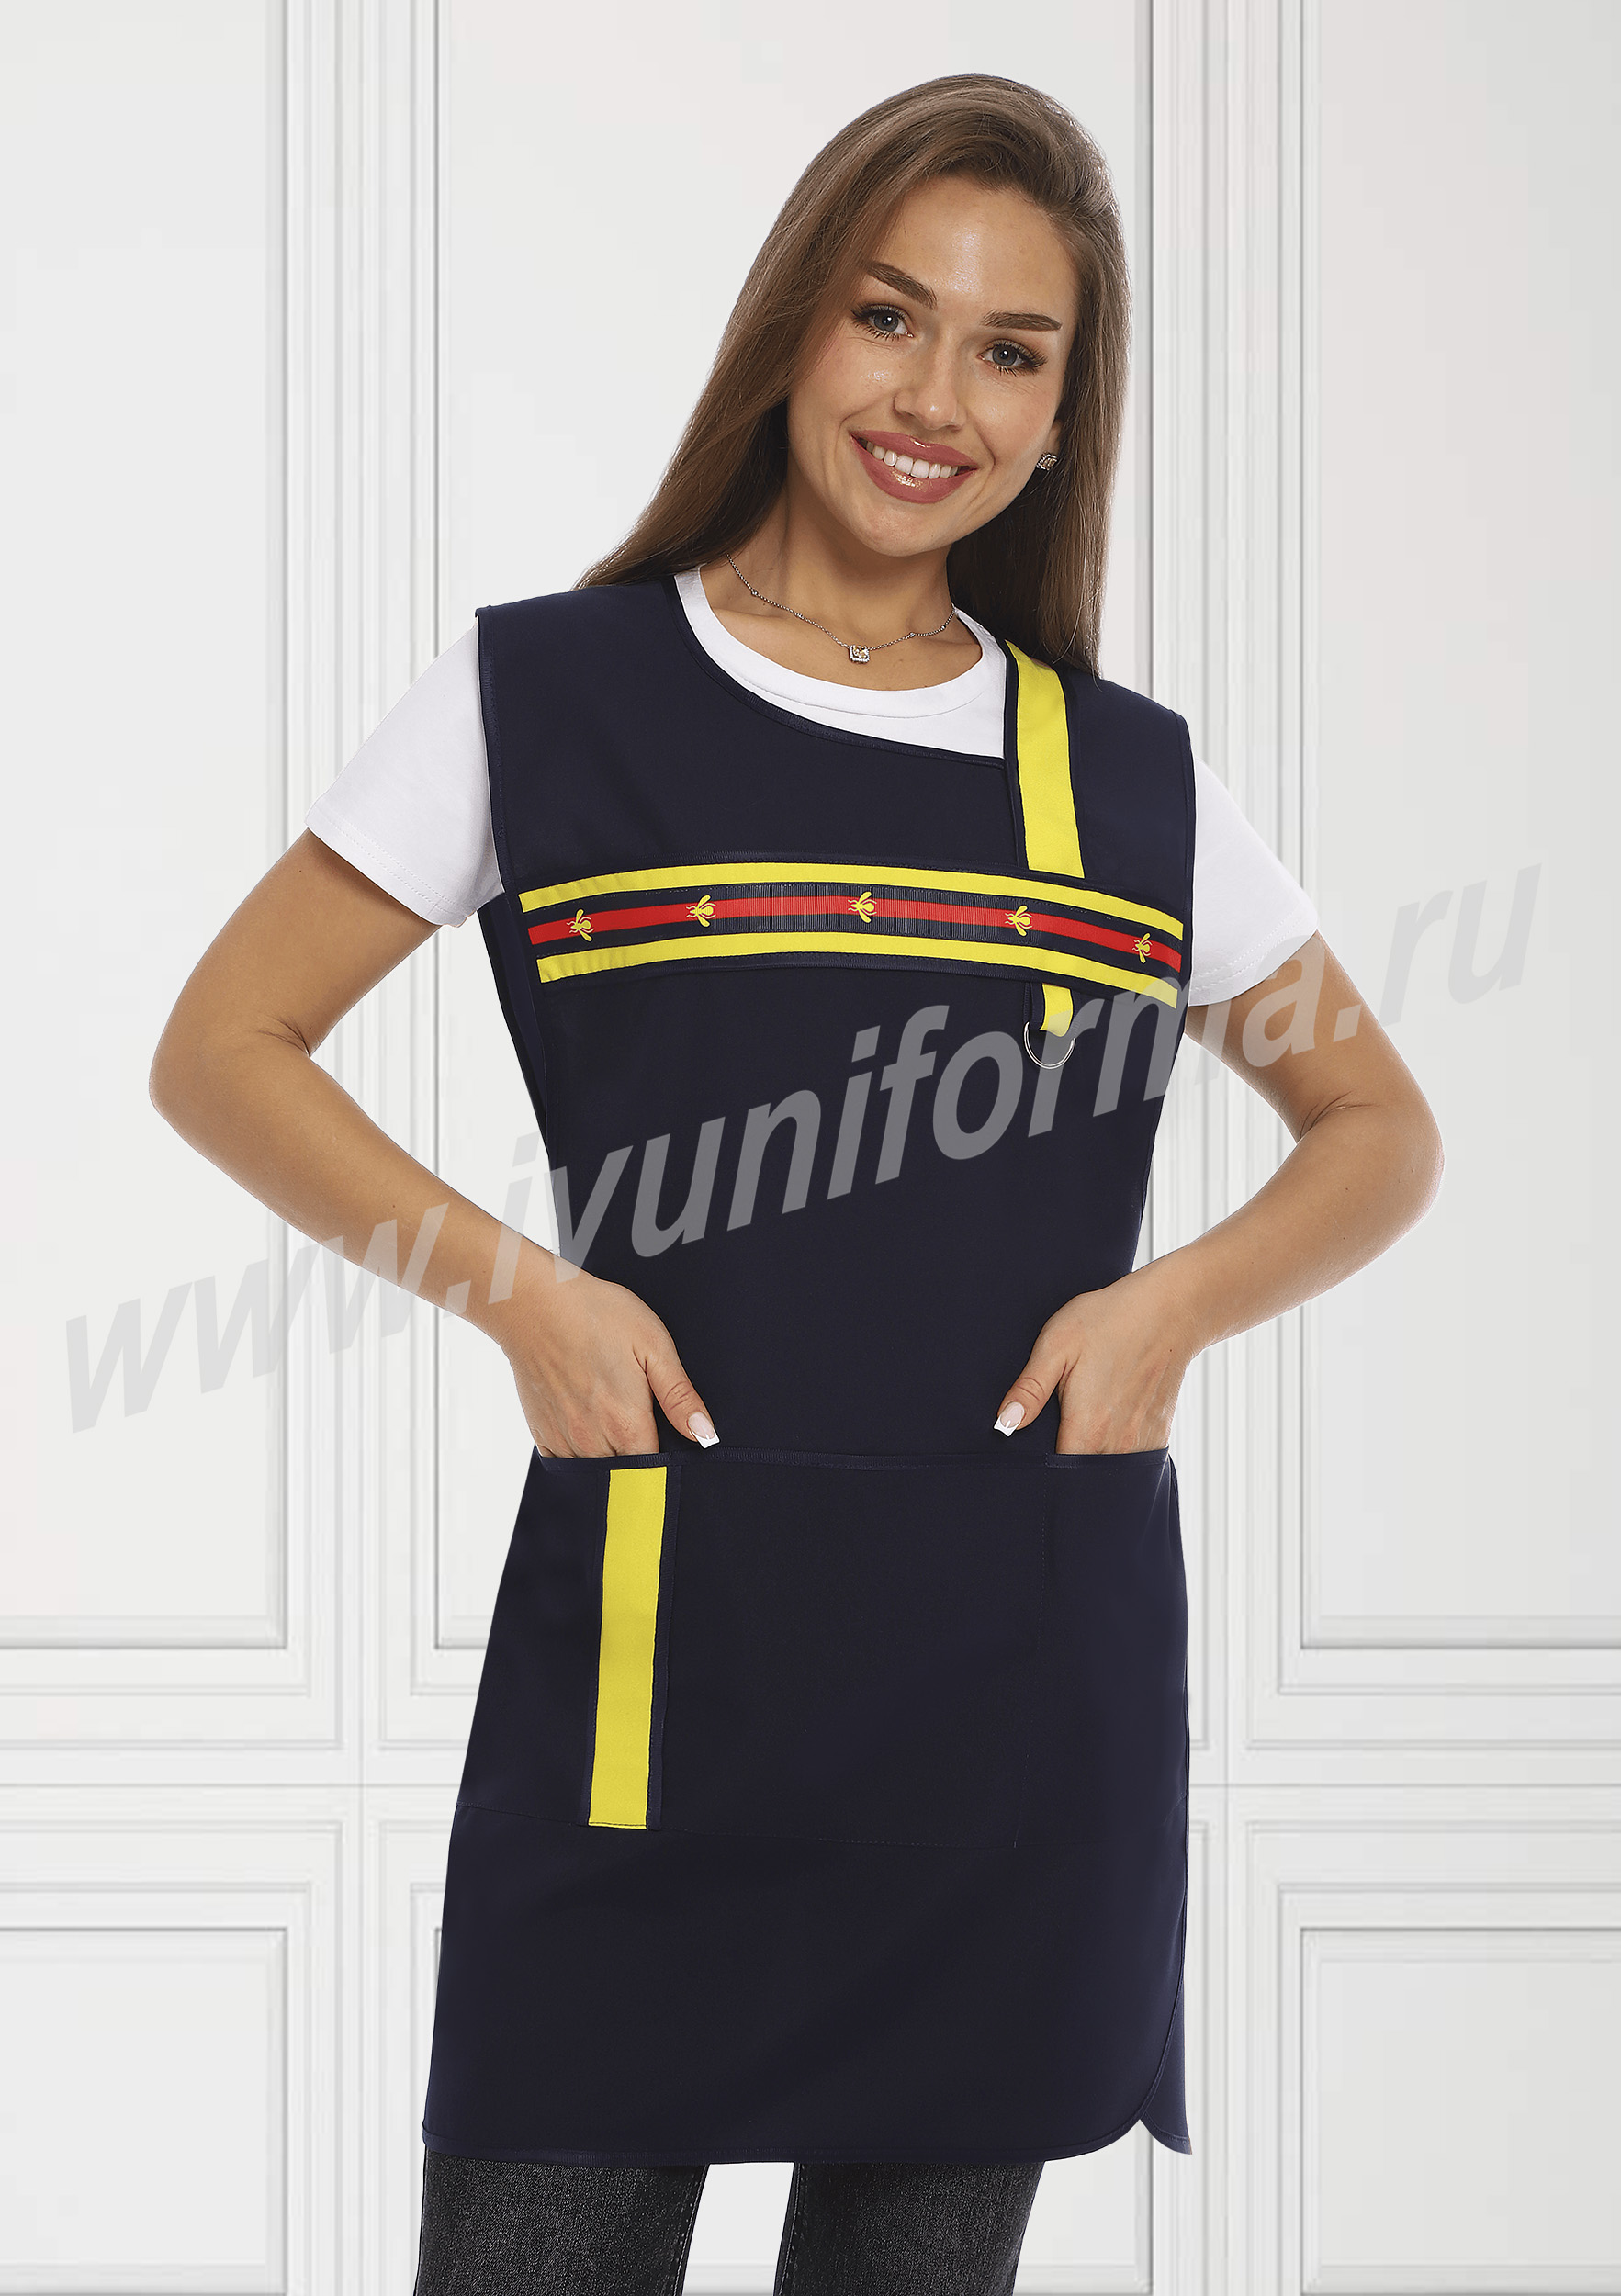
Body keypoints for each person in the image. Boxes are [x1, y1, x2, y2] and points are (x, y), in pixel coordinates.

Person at [150, 72, 1443, 2296]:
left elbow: (1378, 1127)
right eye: (887, 315)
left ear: (1061, 416)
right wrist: (517, 1290)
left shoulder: (1123, 776)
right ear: (792, 326)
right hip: (650, 1686)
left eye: (1011, 351)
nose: (936, 398)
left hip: (1010, 1715)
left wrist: (1168, 1307)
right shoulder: (547, 698)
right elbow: (222, 1048)